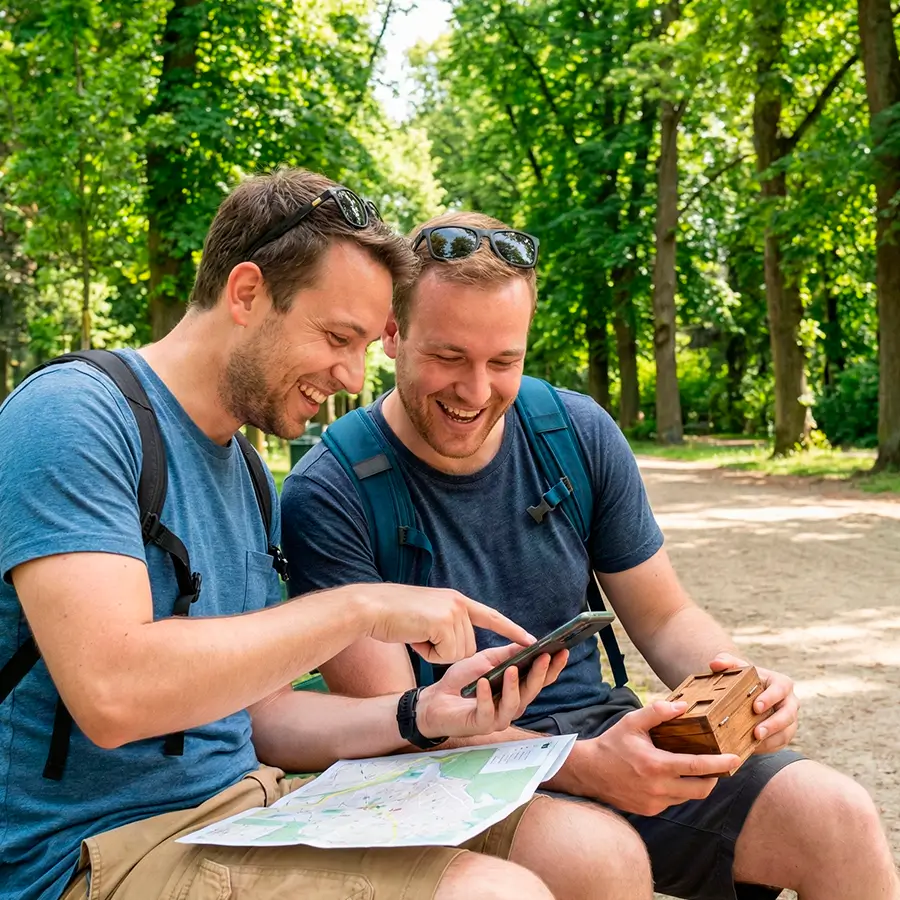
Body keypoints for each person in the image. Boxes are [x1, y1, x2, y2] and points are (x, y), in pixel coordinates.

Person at [0, 172, 655, 900]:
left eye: (365, 346)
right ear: (247, 293)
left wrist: (423, 715)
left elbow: (265, 716)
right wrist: (359, 607)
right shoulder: (76, 416)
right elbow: (112, 692)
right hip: (92, 855)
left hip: (251, 806)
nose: (351, 377)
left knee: (600, 857)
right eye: (338, 338)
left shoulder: (247, 473)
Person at [281, 209, 900, 900]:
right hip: (449, 770)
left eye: (503, 362)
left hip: (601, 732)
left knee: (837, 817)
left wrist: (743, 693)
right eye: (448, 357)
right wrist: (582, 765)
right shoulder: (330, 491)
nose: (476, 391)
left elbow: (665, 619)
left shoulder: (574, 432)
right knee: (598, 858)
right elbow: (395, 721)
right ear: (393, 334)